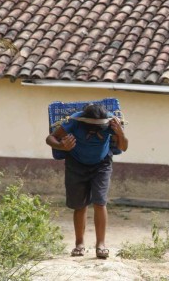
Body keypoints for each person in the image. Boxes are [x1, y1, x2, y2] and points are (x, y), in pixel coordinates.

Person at [46, 103, 128, 259]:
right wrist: (62, 146)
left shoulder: (110, 123)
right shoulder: (75, 122)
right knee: (80, 205)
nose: (93, 131)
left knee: (100, 202)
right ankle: (79, 244)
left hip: (102, 165)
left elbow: (123, 147)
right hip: (76, 164)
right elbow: (50, 138)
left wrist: (120, 133)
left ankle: (101, 245)